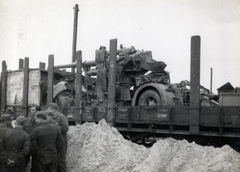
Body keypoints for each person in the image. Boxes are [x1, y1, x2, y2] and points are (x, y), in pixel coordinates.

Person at [47, 103, 68, 172]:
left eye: (48, 108)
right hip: (53, 142)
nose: (47, 110)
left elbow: (65, 128)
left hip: (61, 142)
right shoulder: (49, 117)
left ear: (53, 109)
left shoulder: (62, 117)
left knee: (61, 160)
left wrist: (55, 126)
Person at [24, 105, 41, 172]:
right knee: (24, 162)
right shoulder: (26, 120)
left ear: (38, 111)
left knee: (36, 165)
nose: (31, 112)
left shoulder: (41, 121)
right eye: (31, 110)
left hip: (37, 146)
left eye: (33, 110)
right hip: (27, 145)